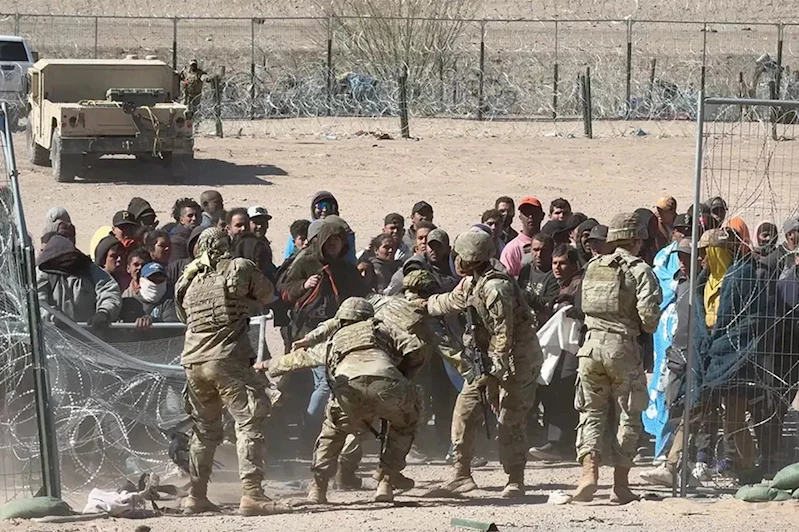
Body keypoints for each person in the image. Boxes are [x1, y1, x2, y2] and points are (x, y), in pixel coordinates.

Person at [263, 298, 424, 504]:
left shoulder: (335, 338)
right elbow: (416, 347)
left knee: (333, 432)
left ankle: (318, 488)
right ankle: (386, 481)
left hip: (349, 388)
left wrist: (268, 365)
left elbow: (302, 359)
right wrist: (405, 373)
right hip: (387, 385)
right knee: (404, 425)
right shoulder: (382, 329)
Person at [175, 227, 289, 516]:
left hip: (193, 361)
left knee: (204, 430)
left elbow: (183, 315)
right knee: (249, 422)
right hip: (227, 359)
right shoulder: (237, 266)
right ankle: (252, 495)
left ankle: (196, 495)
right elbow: (267, 294)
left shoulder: (187, 278)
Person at [426, 231, 542, 498]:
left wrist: (493, 378)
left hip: (517, 361)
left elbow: (503, 336)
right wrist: (423, 305)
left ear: (471, 258)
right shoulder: (471, 283)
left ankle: (515, 478)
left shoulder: (496, 288)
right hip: (487, 360)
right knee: (464, 411)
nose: (455, 259)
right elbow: (449, 302)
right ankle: (461, 474)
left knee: (510, 419)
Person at [571, 212, 661, 504]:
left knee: (591, 413)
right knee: (629, 414)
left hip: (590, 348)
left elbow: (582, 305)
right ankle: (620, 484)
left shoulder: (594, 266)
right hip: (622, 348)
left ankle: (588, 474)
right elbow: (649, 320)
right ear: (636, 239)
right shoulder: (640, 270)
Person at [528, 244, 582, 462]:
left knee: (563, 390)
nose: (557, 268)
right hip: (561, 349)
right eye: (555, 263)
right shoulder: (563, 285)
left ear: (573, 264)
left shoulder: (578, 284)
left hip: (574, 348)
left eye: (563, 263)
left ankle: (560, 444)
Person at [37, 235, 121, 326]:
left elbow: (109, 289)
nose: (66, 260)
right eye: (61, 257)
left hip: (89, 332)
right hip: (54, 332)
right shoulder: (43, 273)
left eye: (68, 256)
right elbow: (36, 302)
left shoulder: (90, 269)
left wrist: (104, 312)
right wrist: (54, 317)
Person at [282, 191, 357, 264]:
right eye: (320, 206)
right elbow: (288, 259)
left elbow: (350, 260)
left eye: (329, 206)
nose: (325, 210)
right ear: (313, 209)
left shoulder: (344, 230)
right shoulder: (303, 231)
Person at [518, 233, 560, 327]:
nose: (539, 255)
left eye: (544, 250)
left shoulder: (555, 274)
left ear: (551, 252)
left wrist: (522, 294)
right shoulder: (526, 271)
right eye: (536, 250)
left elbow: (548, 303)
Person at [123, 262, 179, 327]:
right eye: (152, 279)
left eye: (160, 279)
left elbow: (172, 327)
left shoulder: (170, 303)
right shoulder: (129, 303)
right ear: (141, 281)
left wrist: (153, 322)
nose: (156, 283)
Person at [500, 196, 544, 278]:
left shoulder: (549, 244)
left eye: (534, 212)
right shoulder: (512, 249)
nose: (530, 216)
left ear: (542, 216)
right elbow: (505, 278)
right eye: (526, 213)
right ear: (520, 217)